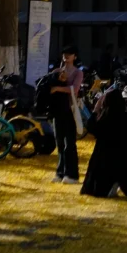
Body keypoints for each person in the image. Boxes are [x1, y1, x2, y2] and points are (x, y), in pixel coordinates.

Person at [81, 84, 127, 199]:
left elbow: (91, 127)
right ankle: (116, 185)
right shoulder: (126, 117)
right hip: (124, 156)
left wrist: (96, 110)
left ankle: (110, 187)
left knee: (100, 172)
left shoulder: (105, 117)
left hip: (105, 156)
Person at [50, 45, 84, 184]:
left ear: (75, 56)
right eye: (65, 53)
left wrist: (58, 87)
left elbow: (75, 89)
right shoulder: (57, 71)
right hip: (57, 110)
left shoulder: (78, 73)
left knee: (69, 143)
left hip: (70, 109)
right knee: (59, 141)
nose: (66, 56)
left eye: (70, 54)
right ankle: (60, 172)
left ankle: (72, 174)